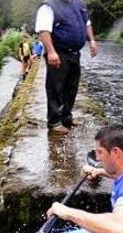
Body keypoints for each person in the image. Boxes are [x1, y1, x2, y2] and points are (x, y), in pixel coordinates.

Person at [34, 0, 99, 134]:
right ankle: (55, 122)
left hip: (75, 54)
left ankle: (66, 118)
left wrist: (91, 41)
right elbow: (43, 30)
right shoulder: (49, 6)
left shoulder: (79, 4)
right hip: (58, 52)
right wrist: (51, 51)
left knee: (71, 88)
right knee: (55, 88)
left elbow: (87, 24)